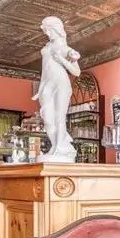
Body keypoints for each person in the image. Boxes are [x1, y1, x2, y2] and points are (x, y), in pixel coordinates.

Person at [33, 17, 81, 162]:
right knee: (48, 118)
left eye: (49, 30)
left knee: (59, 117)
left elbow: (76, 72)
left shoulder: (67, 49)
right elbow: (44, 69)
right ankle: (57, 145)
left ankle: (59, 148)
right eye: (46, 31)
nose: (47, 33)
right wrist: (40, 88)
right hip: (47, 84)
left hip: (61, 83)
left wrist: (62, 60)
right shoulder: (47, 46)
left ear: (57, 29)